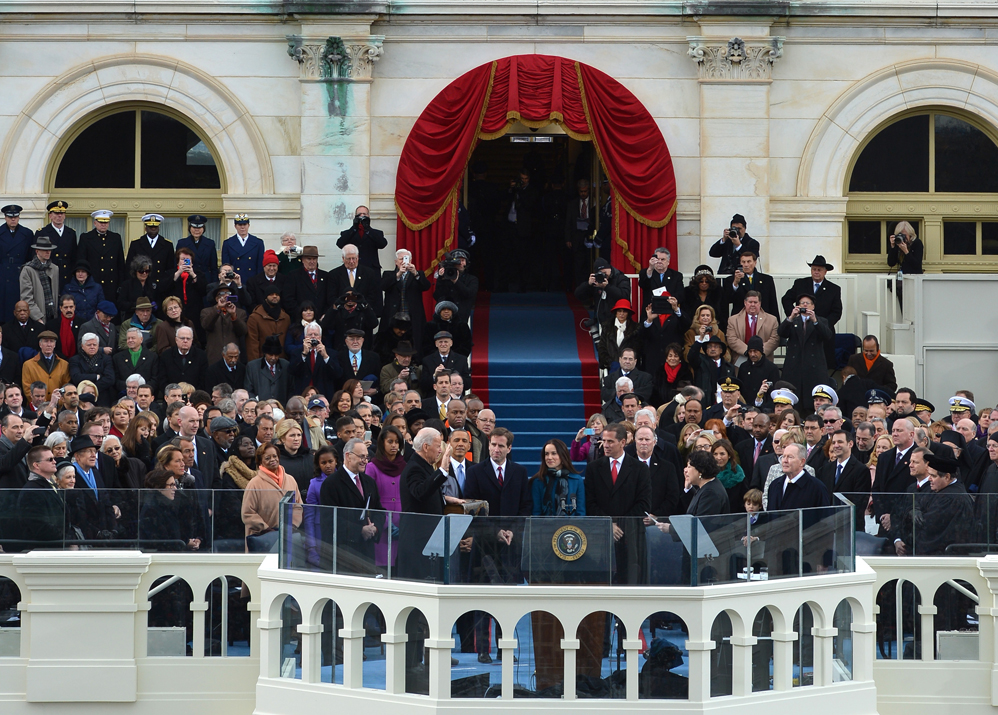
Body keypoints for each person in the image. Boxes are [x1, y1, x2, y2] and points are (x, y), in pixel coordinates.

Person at [583, 422, 651, 584]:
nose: (605, 445)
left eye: (610, 441)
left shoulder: (639, 469)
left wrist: (620, 525)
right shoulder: (593, 468)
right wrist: (608, 525)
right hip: (601, 539)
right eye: (604, 441)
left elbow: (643, 504)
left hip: (631, 537)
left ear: (623, 442)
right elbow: (590, 502)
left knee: (630, 583)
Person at [317, 436, 384, 574]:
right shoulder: (331, 484)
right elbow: (330, 520)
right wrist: (360, 530)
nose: (365, 461)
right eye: (361, 457)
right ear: (348, 456)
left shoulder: (369, 482)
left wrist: (375, 528)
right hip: (343, 554)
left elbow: (379, 510)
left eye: (366, 457)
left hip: (366, 553)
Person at [398, 427, 451, 580]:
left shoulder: (423, 466)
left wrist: (446, 499)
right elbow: (420, 492)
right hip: (417, 542)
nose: (440, 451)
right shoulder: (414, 468)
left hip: (428, 541)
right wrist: (441, 471)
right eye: (437, 445)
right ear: (426, 447)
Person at [241, 442, 303, 552]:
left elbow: (298, 506)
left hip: (287, 537)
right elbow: (247, 513)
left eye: (275, 456)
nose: (272, 459)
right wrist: (266, 529)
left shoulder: (290, 480)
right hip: (262, 540)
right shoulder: (254, 483)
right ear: (260, 461)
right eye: (267, 458)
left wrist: (292, 525)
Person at [777, 293, 833, 414]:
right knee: (795, 399)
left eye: (808, 303)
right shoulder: (793, 320)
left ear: (813, 307)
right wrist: (791, 317)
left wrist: (815, 321)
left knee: (810, 399)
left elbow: (827, 336)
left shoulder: (821, 320)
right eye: (802, 303)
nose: (805, 305)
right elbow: (781, 332)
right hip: (794, 366)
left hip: (813, 367)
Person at [382, 249, 431, 352]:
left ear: (410, 260)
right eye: (400, 259)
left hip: (412, 316)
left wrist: (416, 273)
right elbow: (383, 286)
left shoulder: (417, 274)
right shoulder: (388, 274)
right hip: (394, 315)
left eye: (406, 259)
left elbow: (426, 286)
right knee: (392, 342)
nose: (403, 262)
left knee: (414, 342)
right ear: (396, 262)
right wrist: (398, 274)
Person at [16, 445, 64, 545]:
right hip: (43, 550)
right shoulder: (32, 490)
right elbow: (39, 527)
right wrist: (65, 537)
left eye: (54, 458)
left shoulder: (49, 485)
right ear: (36, 465)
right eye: (50, 459)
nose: (54, 462)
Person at [76, 210, 124, 307]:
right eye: (101, 222)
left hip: (111, 285)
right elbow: (81, 262)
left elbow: (120, 264)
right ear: (95, 223)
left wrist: (120, 285)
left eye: (106, 222)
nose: (103, 225)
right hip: (93, 283)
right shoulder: (86, 238)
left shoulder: (115, 238)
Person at [765, 442, 831, 510]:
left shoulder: (817, 488)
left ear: (802, 462)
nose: (785, 461)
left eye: (790, 457)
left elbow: (825, 518)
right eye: (783, 456)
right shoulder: (774, 485)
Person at [531, 439, 585, 516]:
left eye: (554, 453)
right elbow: (536, 513)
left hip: (570, 527)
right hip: (545, 526)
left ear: (563, 456)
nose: (549, 457)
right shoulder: (538, 481)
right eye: (546, 454)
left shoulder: (576, 480)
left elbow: (581, 513)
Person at [574, 258, 631, 328]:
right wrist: (588, 284)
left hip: (620, 319)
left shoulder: (621, 278)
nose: (603, 275)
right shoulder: (596, 281)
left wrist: (607, 287)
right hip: (602, 320)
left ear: (609, 268)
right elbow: (578, 295)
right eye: (600, 273)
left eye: (605, 272)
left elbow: (624, 295)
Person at [34, 200, 76, 290]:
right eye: (56, 213)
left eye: (62, 213)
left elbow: (74, 255)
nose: (59, 216)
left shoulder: (71, 233)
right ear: (50, 216)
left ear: (65, 216)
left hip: (66, 274)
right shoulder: (42, 232)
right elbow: (35, 256)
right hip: (49, 272)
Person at [727, 291, 780, 362]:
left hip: (764, 359)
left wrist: (759, 352)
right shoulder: (733, 320)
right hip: (741, 358)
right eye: (750, 302)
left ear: (760, 303)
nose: (752, 305)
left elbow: (775, 339)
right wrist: (748, 351)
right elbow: (731, 339)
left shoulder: (772, 319)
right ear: (745, 303)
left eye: (755, 302)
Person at [724, 250, 779, 319]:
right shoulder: (731, 279)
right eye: (743, 262)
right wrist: (735, 283)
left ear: (755, 262)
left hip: (763, 318)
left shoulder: (767, 279)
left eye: (749, 261)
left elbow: (772, 303)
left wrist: (776, 324)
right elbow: (727, 299)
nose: (746, 265)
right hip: (741, 318)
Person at [19, 235, 60, 324]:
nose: (48, 252)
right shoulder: (28, 270)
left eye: (49, 250)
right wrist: (38, 318)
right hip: (36, 318)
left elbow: (56, 294)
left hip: (53, 315)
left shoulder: (54, 268)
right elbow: (27, 298)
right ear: (37, 251)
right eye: (45, 250)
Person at [200, 285, 248, 361]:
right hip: (214, 356)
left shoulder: (240, 312)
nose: (226, 295)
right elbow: (206, 326)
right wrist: (218, 309)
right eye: (222, 293)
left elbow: (242, 331)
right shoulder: (206, 312)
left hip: (233, 357)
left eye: (228, 293)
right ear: (216, 299)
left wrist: (233, 315)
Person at [246, 282, 291, 362]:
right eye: (271, 294)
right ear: (266, 297)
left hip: (282, 361)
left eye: (277, 295)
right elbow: (252, 344)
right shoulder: (255, 317)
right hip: (262, 362)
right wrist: (255, 364)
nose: (274, 296)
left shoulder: (286, 318)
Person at [285, 246, 331, 319]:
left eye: (314, 259)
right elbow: (289, 300)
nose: (312, 262)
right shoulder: (293, 276)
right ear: (302, 260)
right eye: (309, 259)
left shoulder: (325, 276)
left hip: (322, 320)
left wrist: (326, 314)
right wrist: (302, 314)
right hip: (301, 321)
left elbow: (330, 298)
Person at [337, 206, 387, 273]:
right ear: (355, 216)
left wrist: (367, 229)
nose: (362, 216)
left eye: (364, 214)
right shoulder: (349, 233)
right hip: (353, 268)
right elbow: (340, 244)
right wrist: (354, 228)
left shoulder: (376, 233)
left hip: (371, 269)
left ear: (368, 216)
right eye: (359, 214)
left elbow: (382, 244)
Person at [887, 220, 923, 312]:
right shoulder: (897, 245)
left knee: (914, 308)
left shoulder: (917, 243)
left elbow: (916, 264)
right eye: (900, 235)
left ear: (911, 235)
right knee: (904, 309)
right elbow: (891, 263)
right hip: (901, 282)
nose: (903, 238)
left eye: (904, 235)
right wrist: (893, 246)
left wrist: (906, 251)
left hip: (914, 280)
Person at [22, 330, 70, 399]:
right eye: (46, 341)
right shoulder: (28, 365)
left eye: (51, 341)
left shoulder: (64, 364)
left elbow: (65, 388)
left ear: (55, 345)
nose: (49, 344)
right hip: (37, 406)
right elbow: (27, 389)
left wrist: (56, 403)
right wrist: (42, 404)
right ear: (40, 344)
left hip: (58, 406)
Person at [69, 333, 114, 406]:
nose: (92, 347)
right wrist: (96, 377)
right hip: (82, 397)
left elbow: (110, 379)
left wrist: (93, 389)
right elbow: (76, 377)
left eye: (94, 345)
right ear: (82, 346)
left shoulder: (106, 359)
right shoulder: (75, 360)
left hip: (102, 397)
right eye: (89, 345)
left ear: (98, 346)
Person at [158, 326, 208, 392]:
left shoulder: (201, 356)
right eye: (182, 338)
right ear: (176, 339)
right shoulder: (166, 355)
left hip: (194, 396)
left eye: (188, 338)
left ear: (192, 340)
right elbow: (162, 379)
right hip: (172, 396)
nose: (185, 341)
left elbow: (203, 379)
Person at [246, 336, 291, 404]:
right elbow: (249, 390)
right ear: (265, 353)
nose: (273, 358)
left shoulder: (286, 365)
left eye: (276, 355)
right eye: (270, 354)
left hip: (281, 408)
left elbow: (291, 389)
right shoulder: (252, 367)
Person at [222, 214, 265, 282]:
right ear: (235, 226)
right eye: (240, 225)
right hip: (235, 280)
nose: (242, 227)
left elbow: (260, 265)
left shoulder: (258, 242)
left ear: (248, 225)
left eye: (244, 224)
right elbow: (226, 265)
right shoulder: (228, 243)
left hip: (252, 280)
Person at [712, 439, 747, 512]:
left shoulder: (738, 474)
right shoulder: (708, 474)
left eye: (722, 454)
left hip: (735, 518)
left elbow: (744, 499)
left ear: (729, 455)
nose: (718, 457)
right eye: (715, 454)